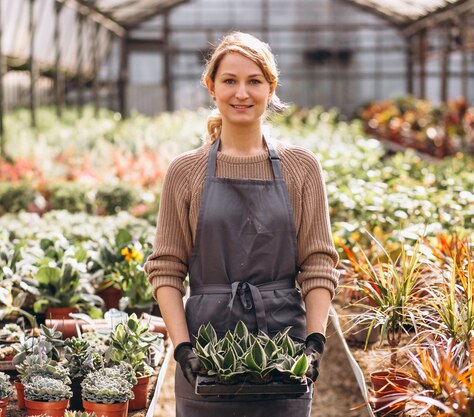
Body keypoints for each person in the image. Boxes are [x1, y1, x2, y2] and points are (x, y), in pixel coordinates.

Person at [144, 31, 339, 417]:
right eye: (229, 80)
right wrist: (183, 348)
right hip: (207, 345)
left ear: (271, 87)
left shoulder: (302, 167)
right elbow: (166, 268)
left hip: (284, 344)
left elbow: (319, 263)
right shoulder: (186, 171)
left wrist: (314, 341)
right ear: (211, 87)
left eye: (254, 81)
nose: (242, 93)